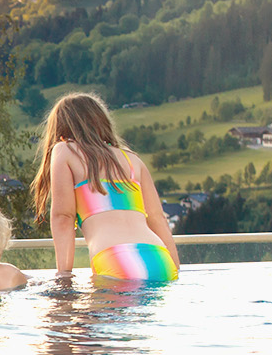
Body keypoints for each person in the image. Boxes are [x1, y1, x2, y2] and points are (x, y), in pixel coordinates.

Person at [32, 92, 179, 282]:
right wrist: (175, 269)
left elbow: (63, 217)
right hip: (160, 259)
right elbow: (158, 219)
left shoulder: (65, 150)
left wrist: (64, 275)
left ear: (61, 128)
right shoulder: (132, 159)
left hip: (115, 258)